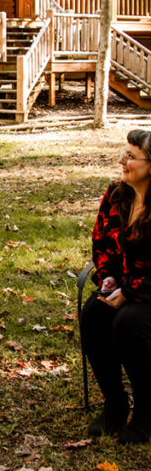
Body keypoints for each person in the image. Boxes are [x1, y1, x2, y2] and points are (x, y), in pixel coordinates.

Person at [81, 130, 151, 444]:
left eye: (131, 156)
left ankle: (147, 413)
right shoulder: (115, 193)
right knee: (94, 313)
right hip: (124, 285)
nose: (123, 161)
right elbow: (101, 240)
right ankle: (115, 402)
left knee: (129, 323)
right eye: (124, 153)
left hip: (148, 292)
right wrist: (108, 277)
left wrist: (131, 293)